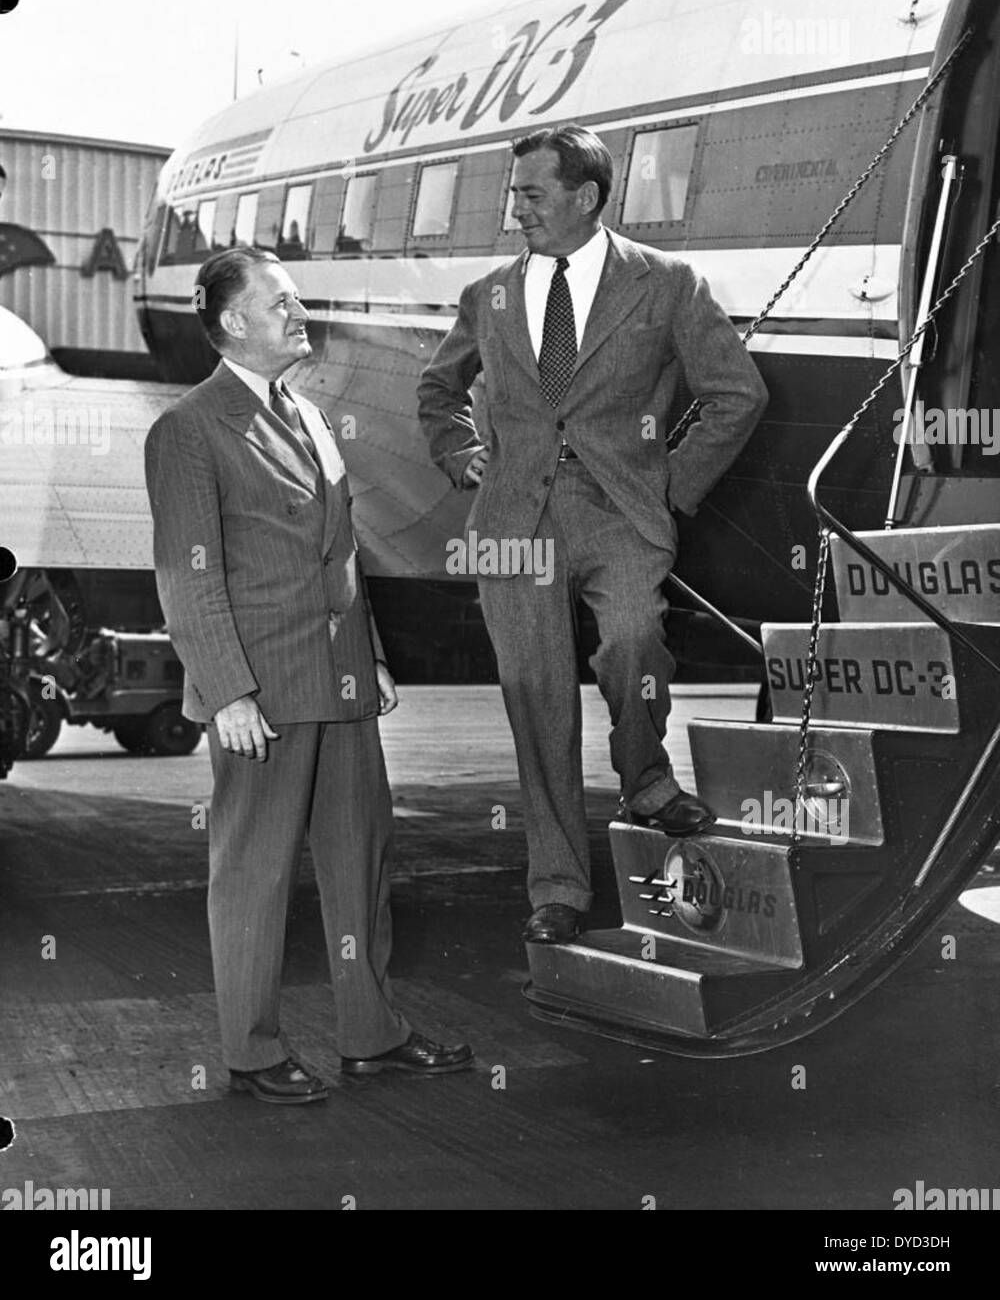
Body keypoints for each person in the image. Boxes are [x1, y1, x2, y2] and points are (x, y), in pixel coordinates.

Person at [418, 125, 768, 947]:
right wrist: (463, 455)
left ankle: (645, 778)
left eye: (532, 195)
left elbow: (736, 393)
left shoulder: (669, 284)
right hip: (512, 521)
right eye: (514, 195)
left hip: (621, 510)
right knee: (534, 697)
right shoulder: (490, 295)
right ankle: (559, 887)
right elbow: (438, 390)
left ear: (586, 197)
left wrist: (671, 487)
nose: (517, 212)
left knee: (635, 643)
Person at [145, 247, 472, 1103]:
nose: (300, 315)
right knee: (253, 872)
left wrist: (373, 659)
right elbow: (188, 574)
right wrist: (228, 693)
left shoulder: (312, 416)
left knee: (361, 859)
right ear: (232, 324)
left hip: (340, 682)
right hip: (263, 691)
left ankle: (372, 1034)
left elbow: (342, 557)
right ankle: (253, 1052)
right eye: (281, 304)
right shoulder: (189, 428)